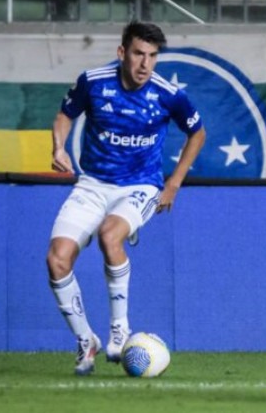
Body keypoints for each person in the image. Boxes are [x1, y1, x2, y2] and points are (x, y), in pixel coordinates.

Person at [46, 21, 206, 376]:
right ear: (122, 53)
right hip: (92, 184)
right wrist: (58, 147)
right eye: (138, 54)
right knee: (57, 260)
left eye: (152, 56)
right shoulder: (93, 81)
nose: (145, 64)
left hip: (141, 185)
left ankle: (120, 327)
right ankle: (86, 340)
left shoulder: (168, 94)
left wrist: (174, 184)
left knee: (110, 234)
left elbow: (198, 133)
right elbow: (64, 116)